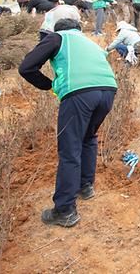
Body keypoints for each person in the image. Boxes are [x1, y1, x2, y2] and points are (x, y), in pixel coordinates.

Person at [19, 17, 117, 228]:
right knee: (88, 137)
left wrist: (49, 85)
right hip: (108, 90)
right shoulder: (90, 42)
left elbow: (26, 67)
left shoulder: (57, 37)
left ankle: (64, 210)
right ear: (78, 29)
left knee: (70, 149)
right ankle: (85, 186)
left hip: (79, 93)